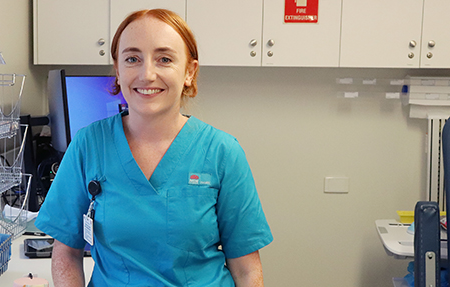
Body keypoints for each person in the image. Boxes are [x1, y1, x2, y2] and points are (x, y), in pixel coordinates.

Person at [35, 8, 273, 287]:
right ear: (118, 70)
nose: (147, 74)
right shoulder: (88, 145)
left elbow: (246, 269)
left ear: (189, 72)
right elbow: (65, 253)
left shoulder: (222, 152)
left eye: (164, 59)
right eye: (133, 59)